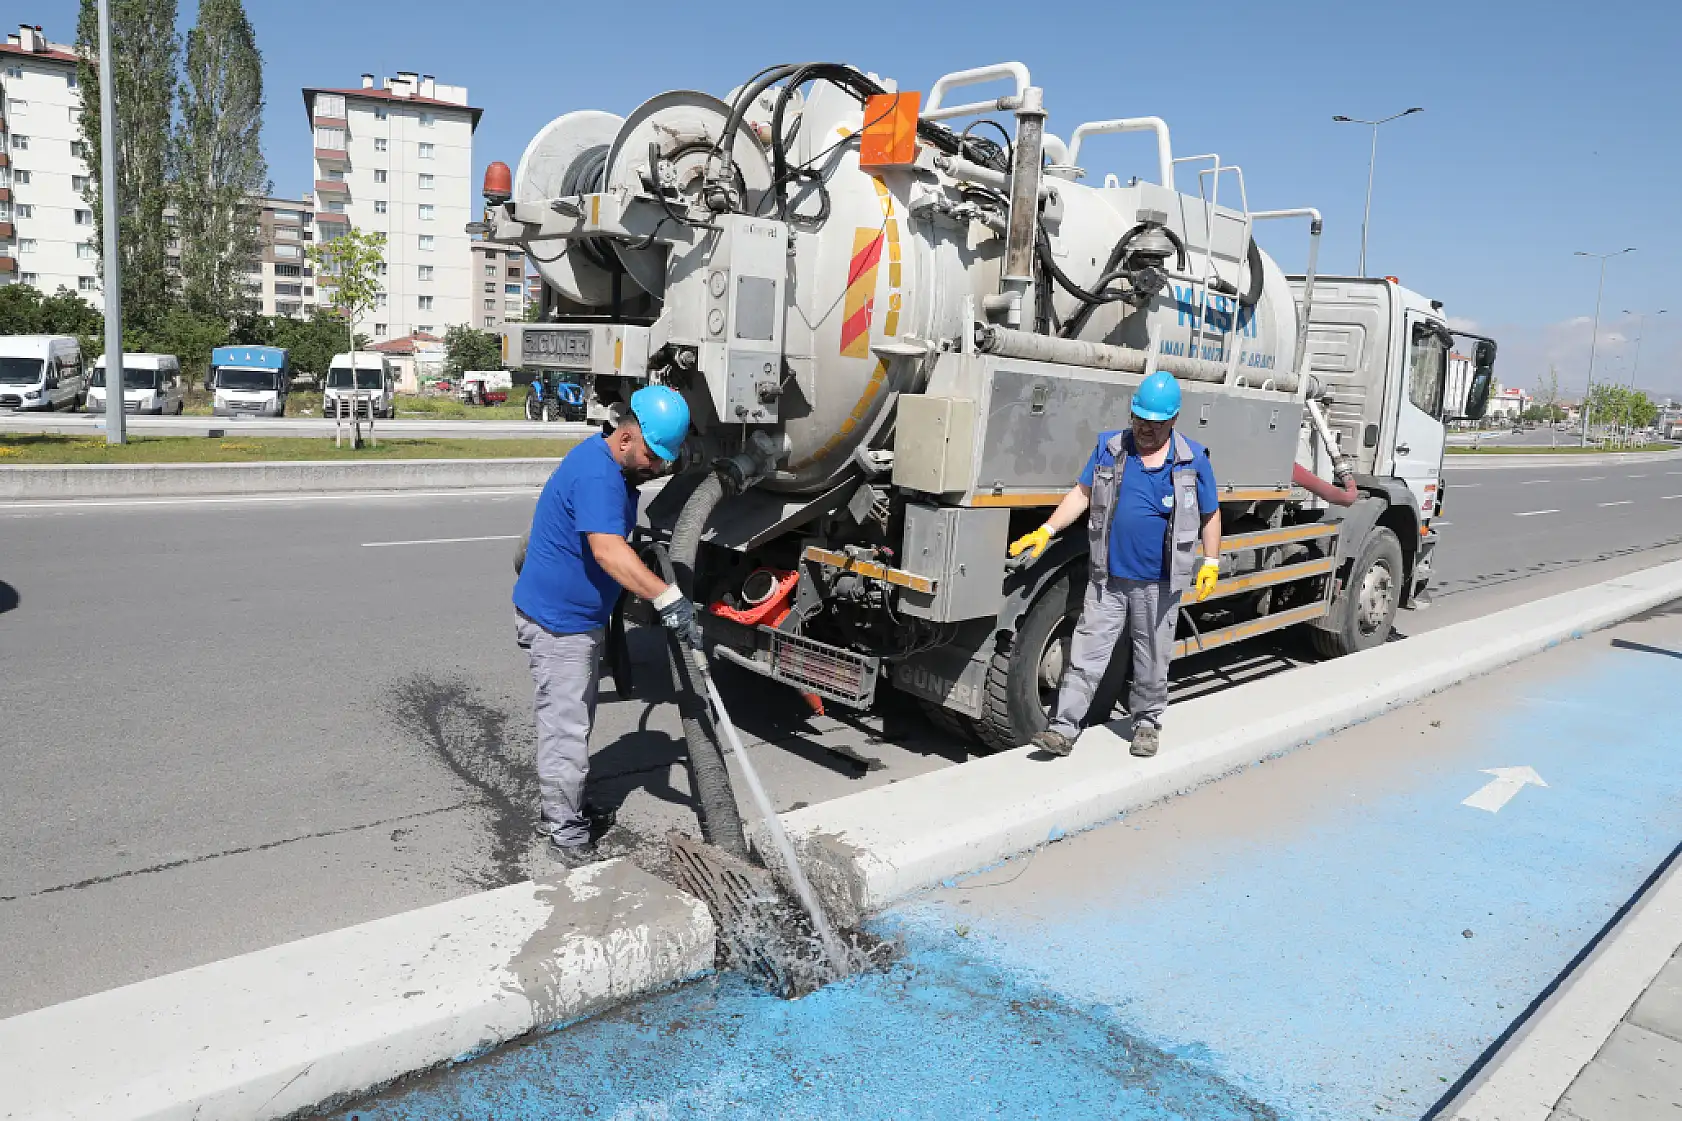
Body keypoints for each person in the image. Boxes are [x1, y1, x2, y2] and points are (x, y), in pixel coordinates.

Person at [512, 385, 702, 867]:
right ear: (625, 438)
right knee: (566, 729)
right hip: (560, 626)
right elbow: (607, 550)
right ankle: (564, 832)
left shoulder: (608, 466)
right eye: (652, 456)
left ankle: (564, 805)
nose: (657, 468)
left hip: (574, 619)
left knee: (572, 721)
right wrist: (666, 597)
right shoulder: (599, 475)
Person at [1009, 370, 1222, 759]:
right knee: (1086, 655)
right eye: (1139, 419)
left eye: (1154, 424)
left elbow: (1209, 513)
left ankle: (1146, 723)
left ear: (1173, 420)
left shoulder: (1193, 461)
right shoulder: (1111, 449)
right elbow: (1082, 493)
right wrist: (1046, 529)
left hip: (1159, 584)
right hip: (1108, 579)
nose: (1145, 429)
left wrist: (1210, 560)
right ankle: (1062, 728)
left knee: (1151, 658)